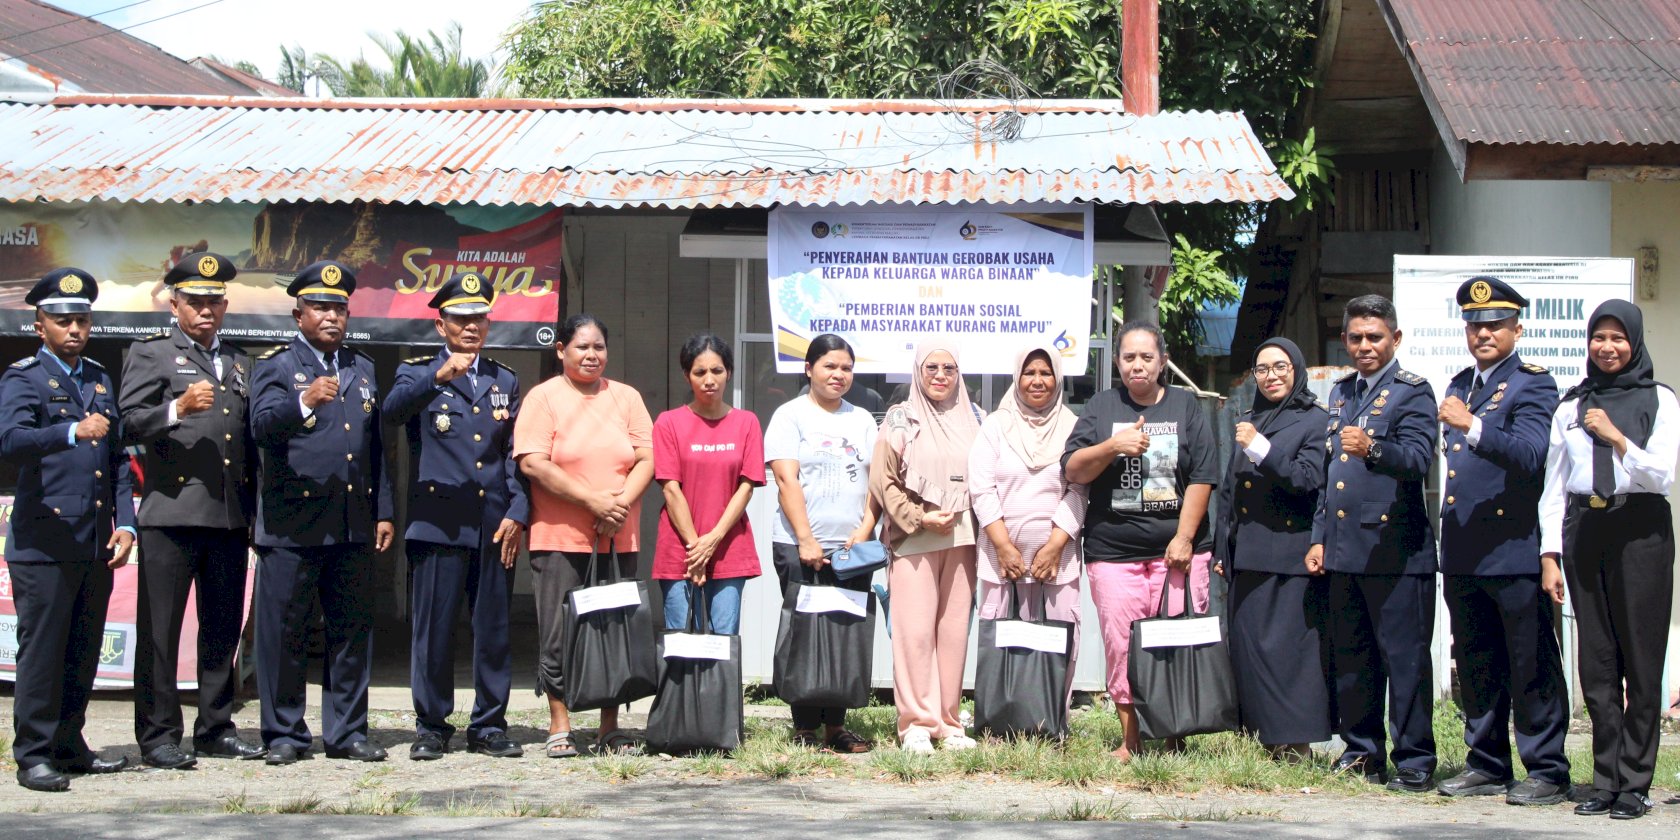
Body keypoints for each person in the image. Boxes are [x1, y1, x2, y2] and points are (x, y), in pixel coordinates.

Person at [118, 252, 265, 770]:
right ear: (175, 303)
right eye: (195, 301)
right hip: (172, 513)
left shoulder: (243, 361)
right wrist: (176, 409)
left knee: (221, 628)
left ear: (225, 305)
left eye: (214, 301)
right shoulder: (153, 353)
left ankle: (215, 725)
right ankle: (158, 735)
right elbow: (127, 424)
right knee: (160, 631)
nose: (206, 310)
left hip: (227, 516)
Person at [249, 260, 395, 766]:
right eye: (320, 307)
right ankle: (284, 732)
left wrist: (383, 511)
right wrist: (305, 401)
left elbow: (374, 448)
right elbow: (262, 429)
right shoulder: (274, 365)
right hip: (292, 524)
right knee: (285, 632)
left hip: (352, 522)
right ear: (298, 314)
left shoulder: (361, 366)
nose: (331, 316)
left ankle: (348, 731)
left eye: (339, 307)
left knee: (350, 630)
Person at [1434, 276, 1570, 806]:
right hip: (1466, 548)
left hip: (1513, 547)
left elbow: (1531, 454)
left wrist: (1472, 426)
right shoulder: (1461, 381)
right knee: (1475, 662)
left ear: (1517, 326)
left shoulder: (1533, 384)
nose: (1482, 333)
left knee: (1530, 662)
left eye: (1493, 324)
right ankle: (1487, 763)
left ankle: (1547, 768)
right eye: (1474, 324)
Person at [1540, 299, 1677, 820]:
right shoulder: (1570, 405)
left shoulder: (1659, 399)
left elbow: (1663, 476)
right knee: (1596, 664)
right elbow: (1553, 488)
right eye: (1600, 337)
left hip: (1640, 529)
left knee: (1641, 660)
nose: (1608, 347)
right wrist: (1549, 554)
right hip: (1585, 529)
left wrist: (1618, 440)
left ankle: (1636, 782)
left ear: (1635, 342)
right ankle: (1604, 778)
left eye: (1619, 337)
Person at [1, 269, 137, 792]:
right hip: (44, 541)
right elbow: (10, 439)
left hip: (94, 540)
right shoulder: (24, 377)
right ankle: (32, 754)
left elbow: (119, 459)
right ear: (40, 326)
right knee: (43, 650)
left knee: (83, 647)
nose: (74, 328)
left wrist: (125, 522)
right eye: (63, 321)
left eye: (81, 319)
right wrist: (68, 430)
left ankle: (68, 743)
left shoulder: (99, 378)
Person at [383, 272, 527, 762]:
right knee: (434, 629)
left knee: (492, 628)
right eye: (461, 319)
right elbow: (392, 413)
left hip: (493, 524)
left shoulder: (504, 379)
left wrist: (519, 511)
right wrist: (436, 378)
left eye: (479, 318)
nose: (471, 327)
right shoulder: (415, 372)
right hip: (437, 522)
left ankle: (488, 723)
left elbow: (514, 454)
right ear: (441, 324)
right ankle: (431, 724)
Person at [1063, 321, 1218, 762]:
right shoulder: (1101, 406)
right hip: (1114, 553)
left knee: (1174, 641)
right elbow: (1073, 470)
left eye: (1146, 357)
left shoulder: (1186, 406)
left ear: (1162, 361)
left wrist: (1185, 539)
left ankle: (1174, 733)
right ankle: (1131, 739)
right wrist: (1113, 446)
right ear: (1117, 363)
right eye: (1128, 357)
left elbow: (1204, 476)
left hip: (1179, 554)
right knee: (1122, 644)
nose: (1137, 365)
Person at [1305, 294, 1438, 792]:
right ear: (1345, 341)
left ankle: (1415, 759)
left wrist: (1375, 447)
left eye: (1375, 337)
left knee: (1403, 660)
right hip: (1344, 549)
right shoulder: (1341, 393)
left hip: (1395, 550)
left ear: (1395, 339)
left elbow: (1419, 459)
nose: (1365, 346)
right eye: (1356, 337)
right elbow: (1330, 476)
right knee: (1354, 658)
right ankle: (1363, 750)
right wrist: (1319, 537)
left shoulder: (1413, 392)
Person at [514, 314, 654, 759]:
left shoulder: (626, 397)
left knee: (613, 630)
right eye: (582, 347)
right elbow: (534, 463)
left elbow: (647, 458)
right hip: (559, 536)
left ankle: (609, 726)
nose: (592, 355)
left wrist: (618, 506)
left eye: (599, 347)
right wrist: (593, 501)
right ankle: (560, 722)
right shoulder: (544, 398)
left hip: (617, 535)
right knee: (559, 631)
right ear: (561, 351)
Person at [1214, 337, 1331, 762]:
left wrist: (1261, 447)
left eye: (1280, 367)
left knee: (1288, 655)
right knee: (1250, 652)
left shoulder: (1315, 420)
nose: (1271, 376)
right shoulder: (1252, 417)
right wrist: (1221, 549)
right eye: (1262, 369)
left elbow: (1306, 480)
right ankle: (1263, 739)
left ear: (1296, 370)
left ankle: (1295, 744)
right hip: (1247, 556)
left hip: (1289, 556)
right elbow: (1230, 491)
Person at [765, 333, 878, 753]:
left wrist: (864, 532)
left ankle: (837, 727)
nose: (839, 375)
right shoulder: (789, 415)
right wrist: (806, 540)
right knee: (806, 633)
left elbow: (876, 485)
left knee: (845, 635)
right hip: (798, 546)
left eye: (846, 368)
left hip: (852, 549)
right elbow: (784, 478)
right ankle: (804, 726)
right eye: (830, 366)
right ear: (809, 368)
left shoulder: (863, 419)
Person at [871, 341, 984, 753]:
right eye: (932, 367)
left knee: (953, 633)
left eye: (949, 368)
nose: (940, 375)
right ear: (918, 371)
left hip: (963, 537)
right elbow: (883, 482)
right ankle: (916, 723)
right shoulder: (900, 420)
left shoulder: (976, 418)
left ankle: (948, 723)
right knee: (914, 632)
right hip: (914, 537)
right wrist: (921, 517)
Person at [968, 344, 1087, 709]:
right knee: (1001, 636)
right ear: (1017, 377)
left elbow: (1079, 489)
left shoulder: (1074, 427)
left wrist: (1054, 546)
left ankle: (1052, 714)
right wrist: (1003, 547)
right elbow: (982, 488)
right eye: (1029, 373)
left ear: (1058, 379)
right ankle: (1002, 714)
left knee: (1060, 634)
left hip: (1058, 559)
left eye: (1046, 373)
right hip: (1001, 558)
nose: (1037, 381)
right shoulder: (996, 426)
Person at [653, 333, 763, 634]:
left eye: (717, 370)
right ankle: (682, 686)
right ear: (687, 376)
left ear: (729, 372)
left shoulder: (747, 422)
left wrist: (712, 540)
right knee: (680, 640)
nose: (709, 379)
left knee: (723, 642)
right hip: (680, 551)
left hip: (729, 548)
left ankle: (719, 686)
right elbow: (670, 488)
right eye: (699, 372)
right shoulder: (668, 422)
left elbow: (747, 486)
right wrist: (695, 549)